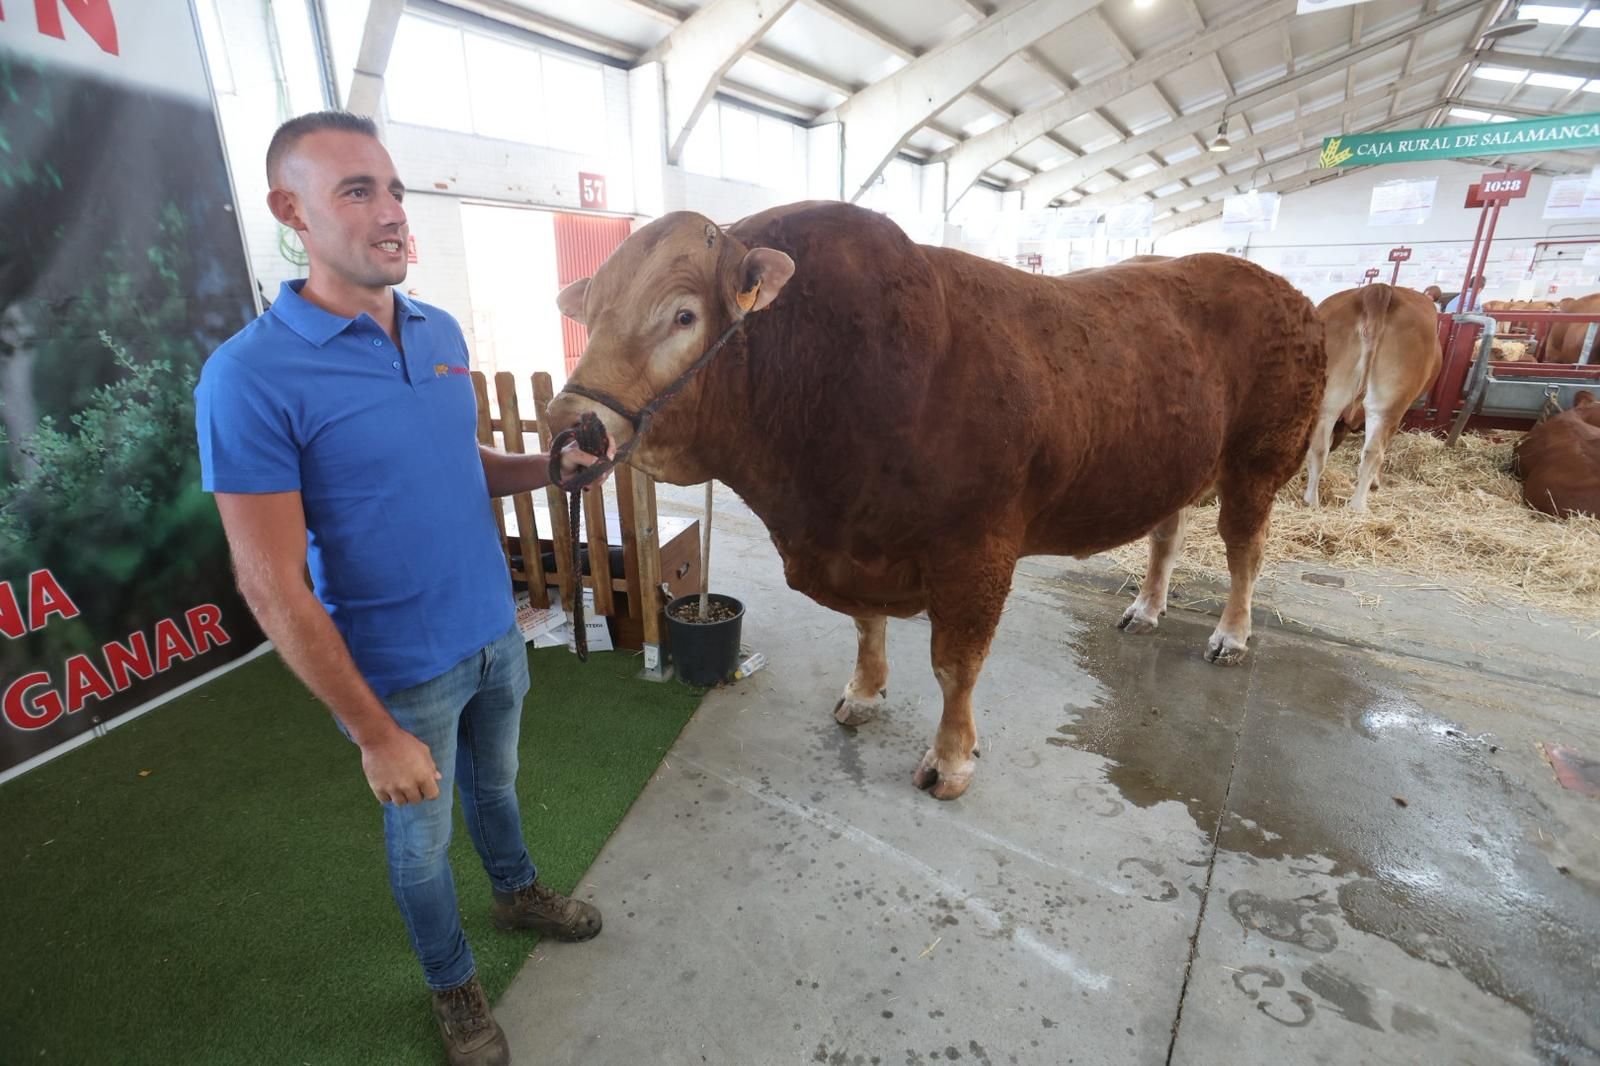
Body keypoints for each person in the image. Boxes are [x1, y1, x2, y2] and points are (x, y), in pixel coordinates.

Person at [195, 111, 605, 1066]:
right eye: (355, 191)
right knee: (420, 850)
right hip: (397, 678)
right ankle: (453, 986)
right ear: (288, 209)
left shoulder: (438, 328)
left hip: (494, 633)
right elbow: (271, 586)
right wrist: (376, 734)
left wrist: (548, 468)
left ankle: (514, 891)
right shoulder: (248, 378)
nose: (390, 213)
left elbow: (459, 463)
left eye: (393, 189)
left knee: (496, 788)